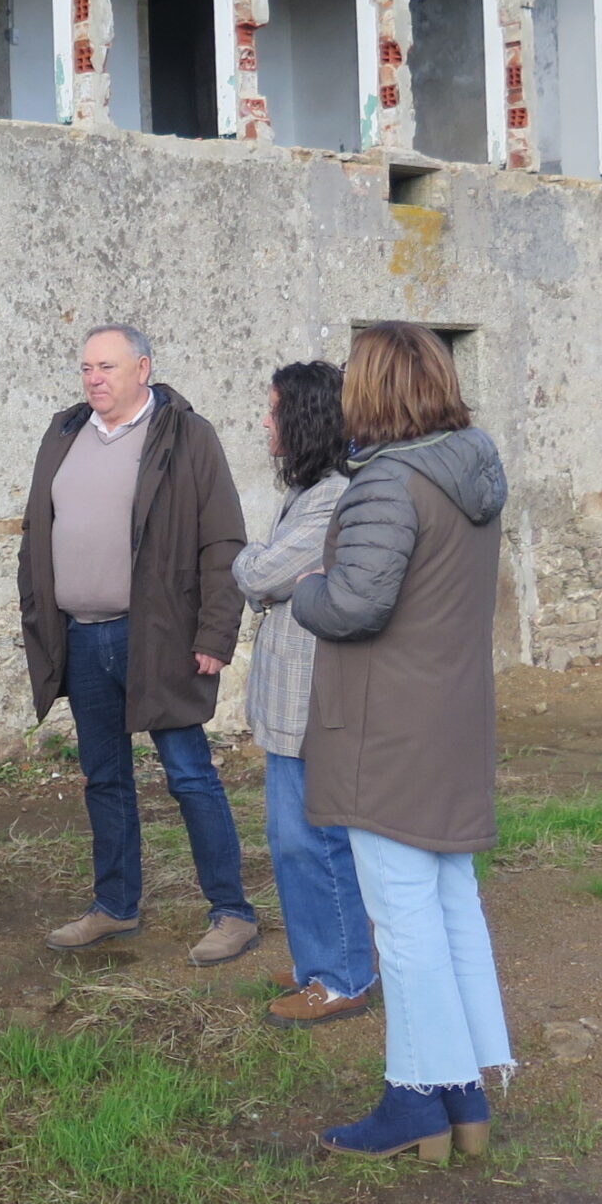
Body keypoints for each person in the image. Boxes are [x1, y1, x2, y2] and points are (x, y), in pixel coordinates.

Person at [293, 321, 513, 1160]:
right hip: (450, 719)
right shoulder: (469, 468)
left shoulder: (389, 483)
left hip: (386, 730)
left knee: (404, 915)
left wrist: (307, 588)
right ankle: (464, 1094)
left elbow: (355, 604)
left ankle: (415, 1100)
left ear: (374, 389)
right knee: (451, 903)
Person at [18, 325, 257, 965]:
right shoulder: (65, 432)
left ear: (143, 369)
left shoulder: (186, 434)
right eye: (86, 368)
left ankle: (232, 912)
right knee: (104, 778)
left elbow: (222, 540)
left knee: (189, 775)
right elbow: (38, 530)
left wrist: (215, 632)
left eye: (108, 367)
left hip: (156, 636)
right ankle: (115, 905)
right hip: (81, 635)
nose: (94, 379)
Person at [233, 360, 378, 1027]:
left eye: (273, 410)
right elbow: (273, 577)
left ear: (303, 418)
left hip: (311, 700)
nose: (265, 422)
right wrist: (269, 575)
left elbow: (259, 572)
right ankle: (317, 961)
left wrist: (252, 564)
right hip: (289, 697)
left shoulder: (331, 498)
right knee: (290, 836)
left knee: (311, 841)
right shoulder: (309, 490)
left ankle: (342, 977)